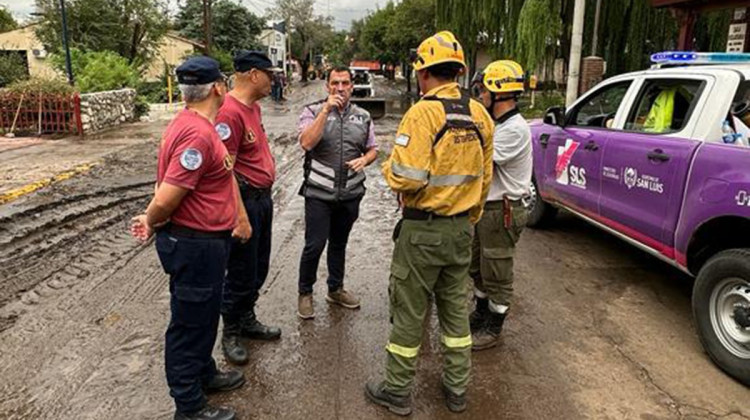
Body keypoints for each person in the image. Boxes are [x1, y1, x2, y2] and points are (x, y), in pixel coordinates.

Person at [365, 31, 494, 415]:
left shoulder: (423, 113)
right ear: (458, 71)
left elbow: (407, 176)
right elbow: (485, 178)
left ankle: (398, 391)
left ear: (422, 73)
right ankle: (457, 389)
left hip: (423, 231)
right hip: (460, 230)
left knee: (409, 312)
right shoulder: (480, 114)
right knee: (455, 312)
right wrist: (469, 217)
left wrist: (388, 166)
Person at [129, 56, 250, 420]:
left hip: (205, 244)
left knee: (204, 316)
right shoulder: (197, 134)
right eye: (224, 82)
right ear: (217, 88)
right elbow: (168, 195)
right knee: (189, 324)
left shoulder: (189, 123)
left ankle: (204, 374)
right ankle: (189, 405)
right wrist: (150, 218)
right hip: (195, 244)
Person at [215, 50, 281, 365]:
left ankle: (247, 318)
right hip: (244, 202)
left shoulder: (252, 109)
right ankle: (230, 331)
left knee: (258, 266)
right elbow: (225, 170)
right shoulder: (228, 112)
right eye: (270, 74)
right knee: (240, 269)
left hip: (261, 198)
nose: (274, 80)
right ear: (254, 74)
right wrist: (240, 215)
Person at [296, 65, 378, 319]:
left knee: (339, 244)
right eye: (335, 83)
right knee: (314, 244)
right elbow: (306, 143)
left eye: (344, 83)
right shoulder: (311, 111)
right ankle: (305, 292)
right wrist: (325, 110)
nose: (340, 88)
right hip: (319, 193)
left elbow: (373, 149)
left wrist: (365, 160)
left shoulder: (363, 116)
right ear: (327, 86)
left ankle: (336, 288)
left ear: (352, 86)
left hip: (351, 193)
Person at [468, 60, 533, 351]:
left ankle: (494, 327)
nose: (480, 96)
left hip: (502, 209)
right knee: (478, 265)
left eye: (483, 91)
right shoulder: (498, 125)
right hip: (487, 208)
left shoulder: (514, 130)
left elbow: (477, 159)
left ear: (498, 94)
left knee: (497, 270)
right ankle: (480, 313)